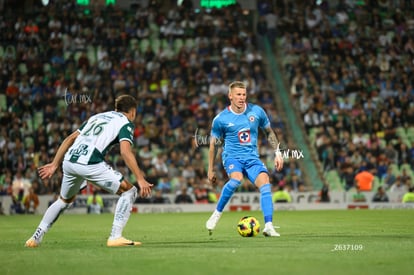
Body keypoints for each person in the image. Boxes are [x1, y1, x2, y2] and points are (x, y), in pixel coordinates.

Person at [25, 95, 153, 248]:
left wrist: (54, 164)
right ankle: (115, 237)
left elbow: (70, 138)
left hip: (70, 161)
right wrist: (140, 178)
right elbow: (125, 152)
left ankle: (35, 237)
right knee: (129, 191)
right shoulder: (125, 123)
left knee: (63, 201)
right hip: (90, 163)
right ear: (132, 112)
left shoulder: (96, 117)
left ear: (116, 108)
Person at [205, 81, 284, 237]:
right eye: (238, 94)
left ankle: (268, 225)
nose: (242, 98)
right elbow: (213, 146)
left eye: (244, 94)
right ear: (230, 96)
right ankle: (216, 214)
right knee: (236, 179)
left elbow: (269, 132)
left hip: (252, 158)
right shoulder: (221, 119)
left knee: (265, 184)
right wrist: (210, 169)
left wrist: (278, 152)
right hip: (232, 157)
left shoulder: (257, 111)